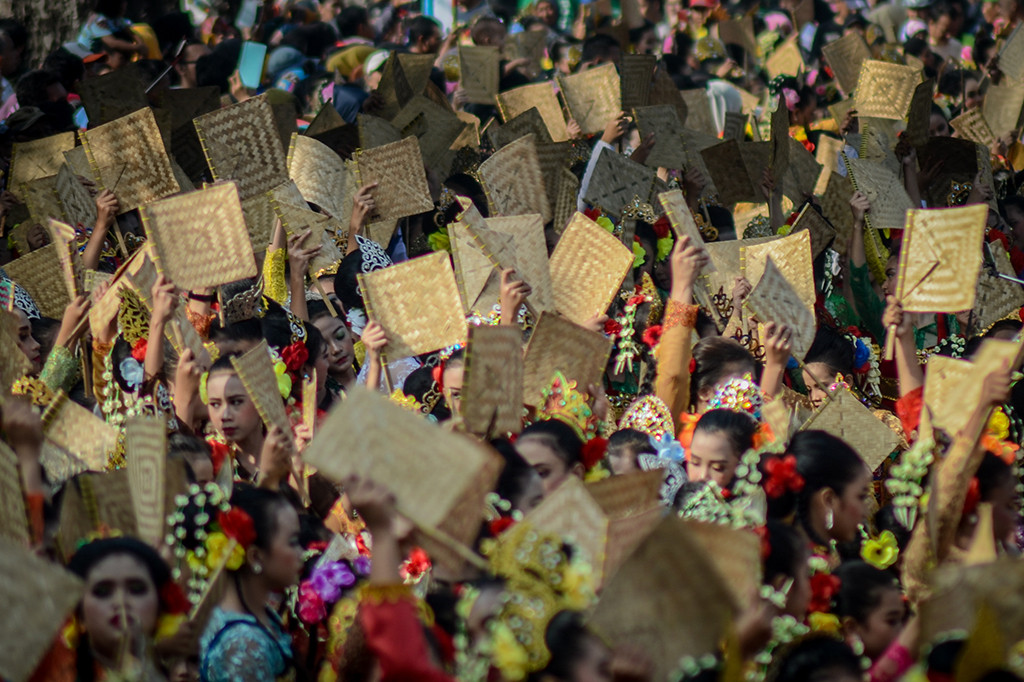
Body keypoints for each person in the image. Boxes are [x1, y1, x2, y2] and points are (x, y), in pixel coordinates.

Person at [200, 486, 304, 681]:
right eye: (293, 542)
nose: (302, 553)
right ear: (255, 556)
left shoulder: (258, 612)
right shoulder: (244, 646)